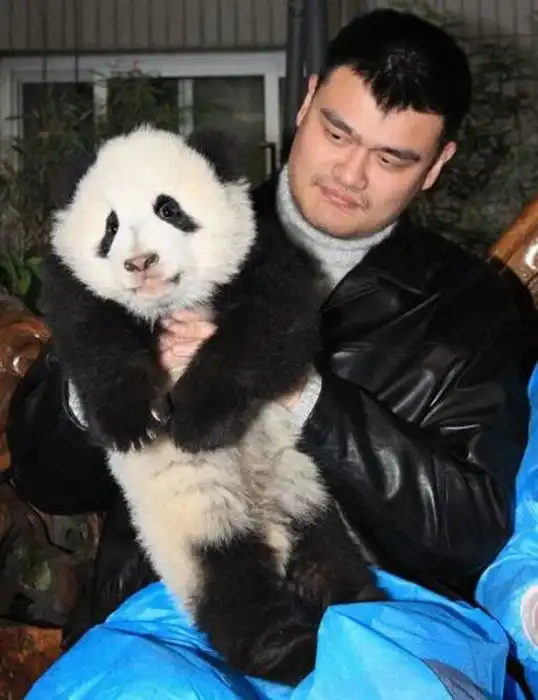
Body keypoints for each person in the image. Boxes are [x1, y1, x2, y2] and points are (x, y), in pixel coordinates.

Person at [5, 8, 532, 651]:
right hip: (160, 624)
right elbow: (45, 479)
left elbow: (473, 530)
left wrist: (301, 395)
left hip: (371, 625)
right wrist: (108, 369)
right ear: (306, 101)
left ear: (437, 164)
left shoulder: (473, 310)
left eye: (391, 159)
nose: (350, 175)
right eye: (337, 134)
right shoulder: (165, 230)